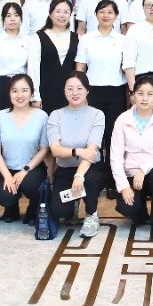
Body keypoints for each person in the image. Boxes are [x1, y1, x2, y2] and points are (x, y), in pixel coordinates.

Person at [110, 74, 153, 239]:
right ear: (133, 95)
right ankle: (141, 215)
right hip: (131, 175)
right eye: (140, 93)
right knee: (128, 207)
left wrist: (143, 169)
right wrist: (124, 186)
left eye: (150, 94)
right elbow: (115, 157)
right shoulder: (122, 120)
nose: (145, 98)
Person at [47, 72, 107, 234]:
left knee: (90, 179)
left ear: (87, 90)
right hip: (65, 170)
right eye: (70, 88)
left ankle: (91, 214)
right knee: (59, 210)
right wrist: (78, 151)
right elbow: (55, 150)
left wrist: (79, 176)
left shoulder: (97, 114)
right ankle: (74, 202)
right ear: (64, 91)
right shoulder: (56, 115)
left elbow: (91, 152)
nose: (75, 93)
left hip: (90, 169)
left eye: (79, 88)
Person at [0, 74, 51, 224]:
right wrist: (7, 176)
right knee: (5, 196)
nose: (19, 95)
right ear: (9, 93)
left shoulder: (42, 116)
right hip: (7, 168)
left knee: (31, 185)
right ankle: (11, 208)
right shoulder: (0, 117)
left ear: (31, 93)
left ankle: (33, 208)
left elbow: (44, 149)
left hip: (32, 168)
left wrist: (25, 170)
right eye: (14, 91)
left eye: (24, 90)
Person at [75, 0, 128, 168]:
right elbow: (80, 67)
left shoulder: (123, 40)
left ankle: (112, 173)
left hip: (116, 92)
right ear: (96, 15)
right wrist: (80, 91)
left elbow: (127, 67)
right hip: (92, 92)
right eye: (102, 12)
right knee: (94, 133)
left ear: (116, 16)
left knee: (114, 133)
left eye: (110, 12)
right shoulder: (86, 39)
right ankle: (94, 171)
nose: (106, 15)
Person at [28, 0, 79, 114]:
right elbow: (33, 68)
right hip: (46, 91)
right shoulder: (38, 37)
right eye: (58, 11)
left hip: (70, 94)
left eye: (66, 12)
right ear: (50, 14)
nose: (62, 15)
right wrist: (35, 96)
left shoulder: (76, 38)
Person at [0, 2, 33, 114]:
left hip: (22, 86)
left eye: (16, 15)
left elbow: (31, 69)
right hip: (1, 86)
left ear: (21, 19)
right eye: (8, 16)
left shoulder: (29, 41)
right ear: (3, 19)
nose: (12, 19)